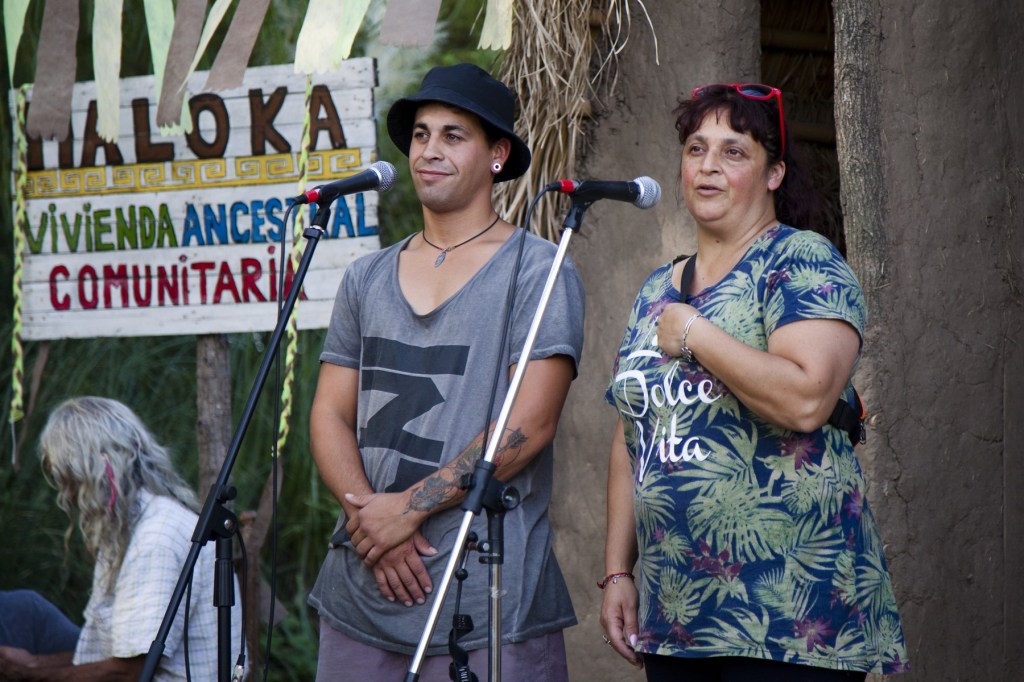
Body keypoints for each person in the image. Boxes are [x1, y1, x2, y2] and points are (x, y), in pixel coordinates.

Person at [600, 83, 910, 680]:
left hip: (789, 614)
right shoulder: (655, 290)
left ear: (774, 174)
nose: (708, 165)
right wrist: (618, 571)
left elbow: (806, 399)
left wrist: (696, 334)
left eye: (734, 151)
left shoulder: (801, 260)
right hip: (678, 614)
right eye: (696, 149)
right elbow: (630, 437)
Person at [307, 63, 585, 681]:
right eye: (421, 134)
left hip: (486, 600)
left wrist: (408, 509)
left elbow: (530, 425)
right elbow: (328, 413)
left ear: (498, 155)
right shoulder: (365, 276)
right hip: (361, 591)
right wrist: (370, 521)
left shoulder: (539, 270)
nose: (430, 150)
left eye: (453, 135)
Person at [0, 397, 243, 681]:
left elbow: (130, 672)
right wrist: (33, 664)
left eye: (68, 480)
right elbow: (106, 659)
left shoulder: (154, 540)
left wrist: (27, 673)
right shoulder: (132, 526)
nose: (67, 495)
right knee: (25, 609)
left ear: (91, 471)